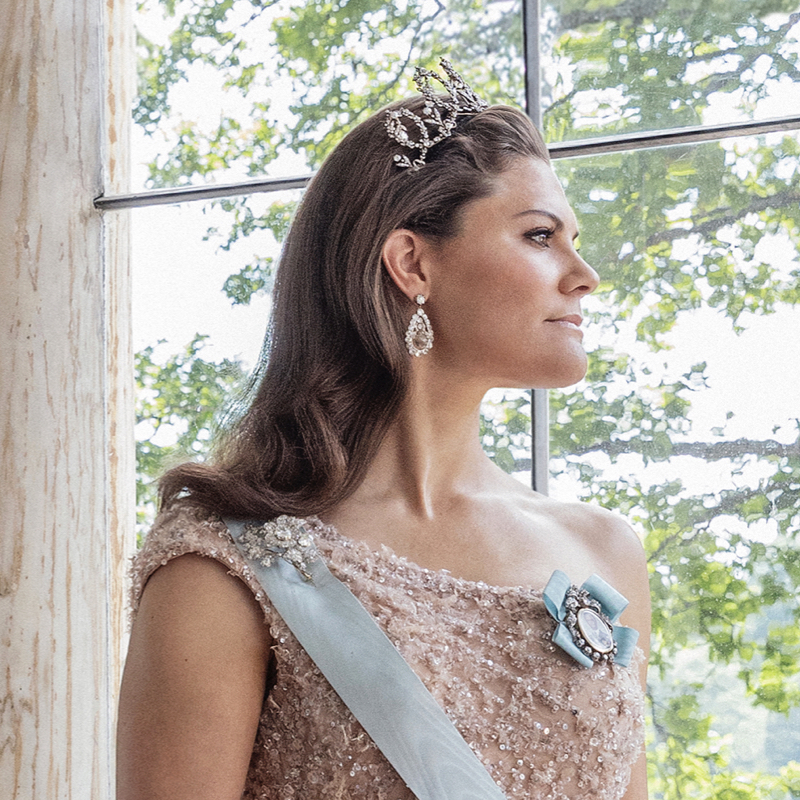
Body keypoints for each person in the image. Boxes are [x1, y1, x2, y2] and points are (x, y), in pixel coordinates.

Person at [117, 60, 650, 800]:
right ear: (411, 262)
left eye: (573, 238)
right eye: (539, 236)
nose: (584, 272)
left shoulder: (603, 554)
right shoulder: (225, 563)